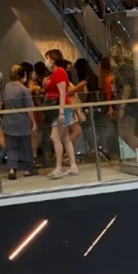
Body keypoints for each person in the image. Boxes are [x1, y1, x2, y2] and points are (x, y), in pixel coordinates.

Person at [44, 49, 86, 178]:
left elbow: (63, 93)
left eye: (47, 58)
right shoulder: (55, 73)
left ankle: (58, 168)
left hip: (62, 108)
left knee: (55, 137)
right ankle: (72, 166)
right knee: (65, 138)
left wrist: (61, 112)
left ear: (53, 59)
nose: (46, 61)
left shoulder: (60, 72)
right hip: (59, 108)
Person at [0, 64, 38, 179]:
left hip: (8, 122)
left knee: (11, 148)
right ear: (23, 75)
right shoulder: (24, 90)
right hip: (22, 122)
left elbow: (2, 103)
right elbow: (29, 108)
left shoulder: (6, 87)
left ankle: (12, 169)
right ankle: (28, 169)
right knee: (26, 146)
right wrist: (34, 122)